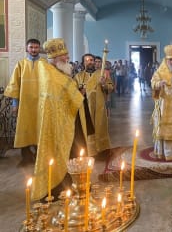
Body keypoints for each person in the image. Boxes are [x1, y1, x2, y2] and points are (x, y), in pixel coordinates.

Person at [32, 38, 87, 201]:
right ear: (55, 59)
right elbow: (63, 94)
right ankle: (60, 186)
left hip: (66, 118)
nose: (67, 58)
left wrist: (76, 93)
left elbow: (66, 93)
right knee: (62, 152)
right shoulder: (50, 74)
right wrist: (79, 94)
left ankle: (72, 182)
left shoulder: (56, 72)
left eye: (67, 54)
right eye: (64, 55)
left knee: (72, 150)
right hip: (58, 123)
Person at [4, 39, 46, 166]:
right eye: (31, 47)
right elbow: (14, 85)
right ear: (26, 48)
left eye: (36, 47)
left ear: (39, 49)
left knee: (40, 128)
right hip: (24, 104)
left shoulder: (44, 64)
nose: (34, 50)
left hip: (41, 104)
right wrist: (15, 104)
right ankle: (26, 157)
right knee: (24, 129)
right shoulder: (21, 64)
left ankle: (39, 156)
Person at [74, 53, 113, 158]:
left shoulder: (102, 74)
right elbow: (73, 92)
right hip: (85, 108)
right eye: (87, 60)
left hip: (100, 106)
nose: (90, 62)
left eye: (91, 60)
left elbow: (111, 88)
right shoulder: (78, 76)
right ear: (83, 63)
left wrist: (104, 84)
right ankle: (90, 150)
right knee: (87, 129)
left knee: (101, 126)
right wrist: (80, 91)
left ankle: (102, 149)